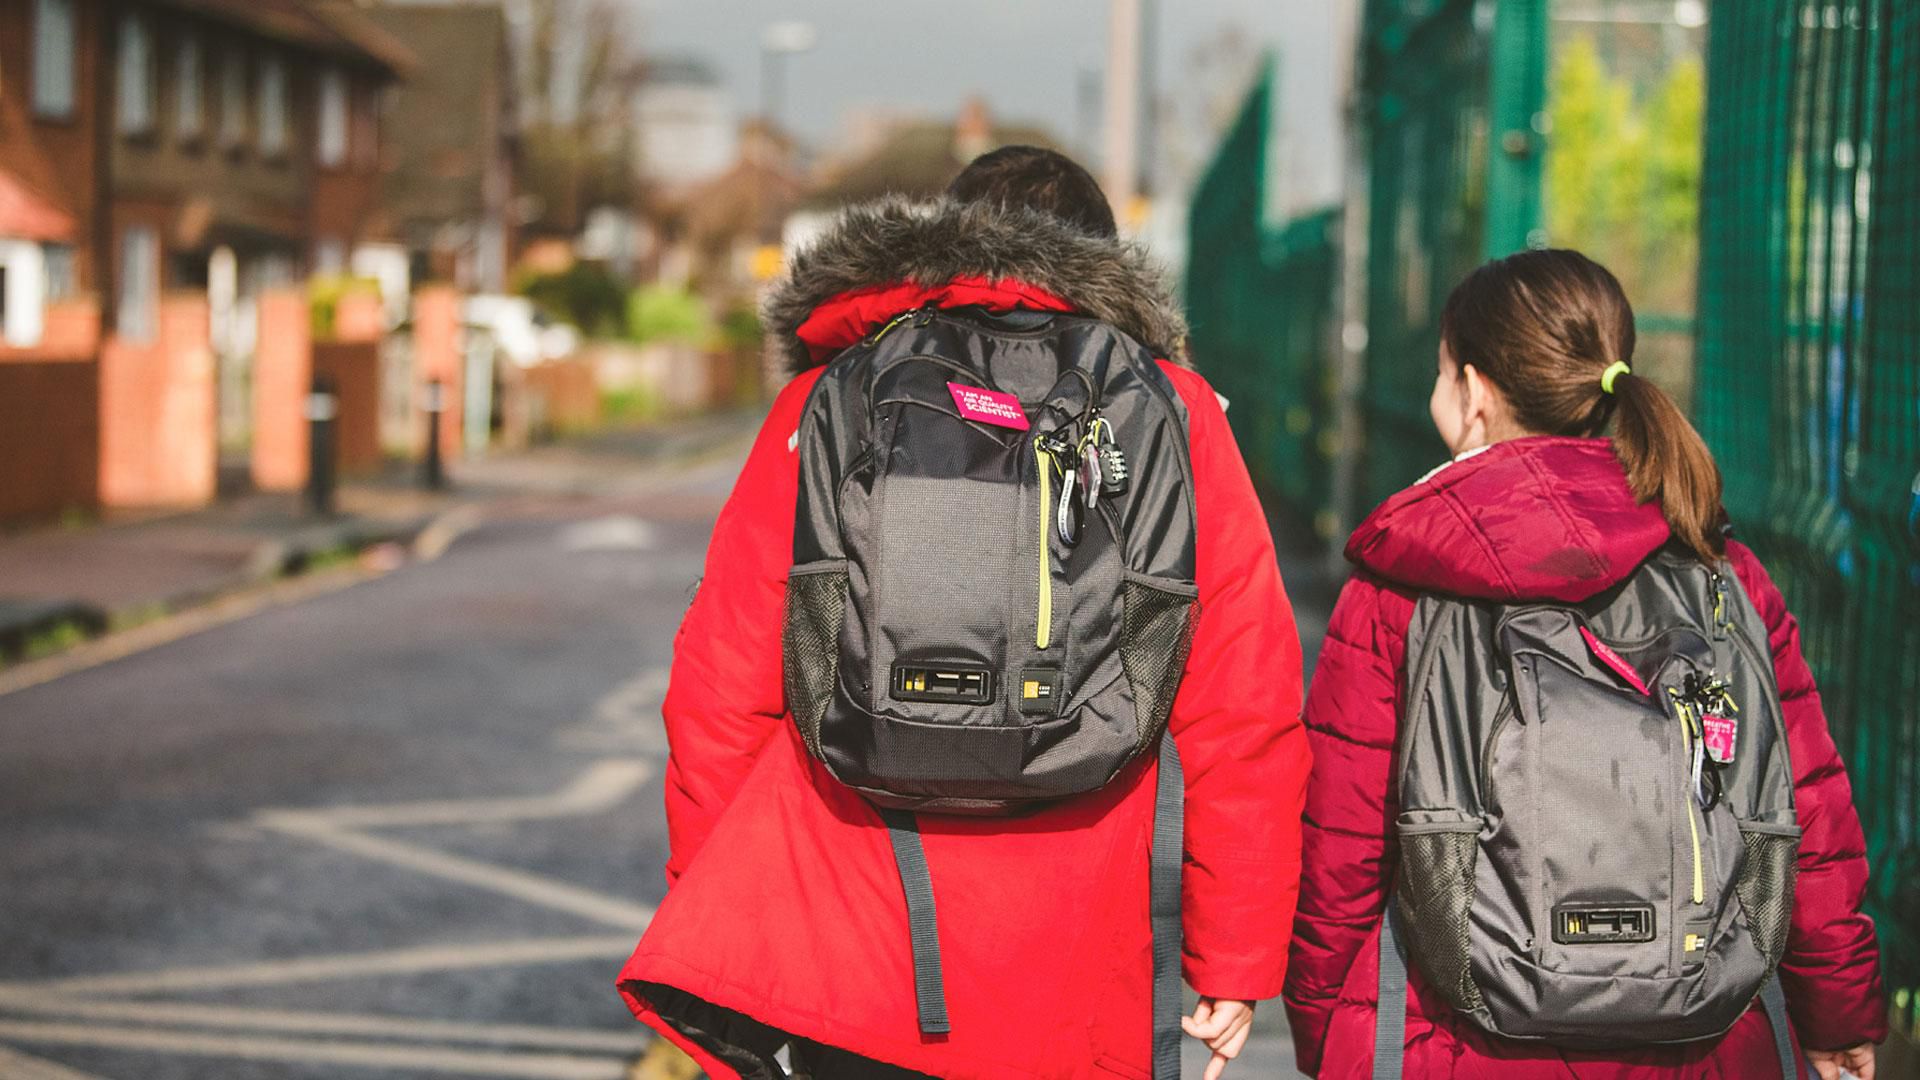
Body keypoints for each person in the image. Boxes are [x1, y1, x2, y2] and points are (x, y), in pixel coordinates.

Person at [617, 146, 1310, 1079]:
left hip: (858, 955)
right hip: (1083, 962)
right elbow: (1244, 704)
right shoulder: (1174, 414)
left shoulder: (832, 398)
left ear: (941, 244)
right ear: (1105, 266)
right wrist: (1234, 954)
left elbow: (722, 685)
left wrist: (720, 926)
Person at [1283, 248, 1886, 1079]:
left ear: (1477, 392)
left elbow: (1340, 847)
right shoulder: (1719, 568)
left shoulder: (1406, 582)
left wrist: (1326, 1028)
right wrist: (1840, 1010)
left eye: (1440, 372)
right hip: (1701, 1035)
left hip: (1455, 1036)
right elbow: (1801, 808)